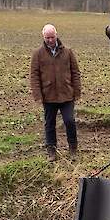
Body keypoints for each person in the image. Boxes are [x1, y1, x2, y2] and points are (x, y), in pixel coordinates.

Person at [30, 24, 80, 162]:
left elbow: (75, 72)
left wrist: (77, 91)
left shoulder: (68, 52)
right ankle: (51, 151)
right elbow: (34, 76)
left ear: (56, 35)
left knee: (69, 121)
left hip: (67, 95)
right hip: (48, 96)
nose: (50, 40)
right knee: (49, 124)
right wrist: (38, 95)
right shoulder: (38, 54)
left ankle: (73, 149)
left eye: (52, 37)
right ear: (43, 37)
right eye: (47, 38)